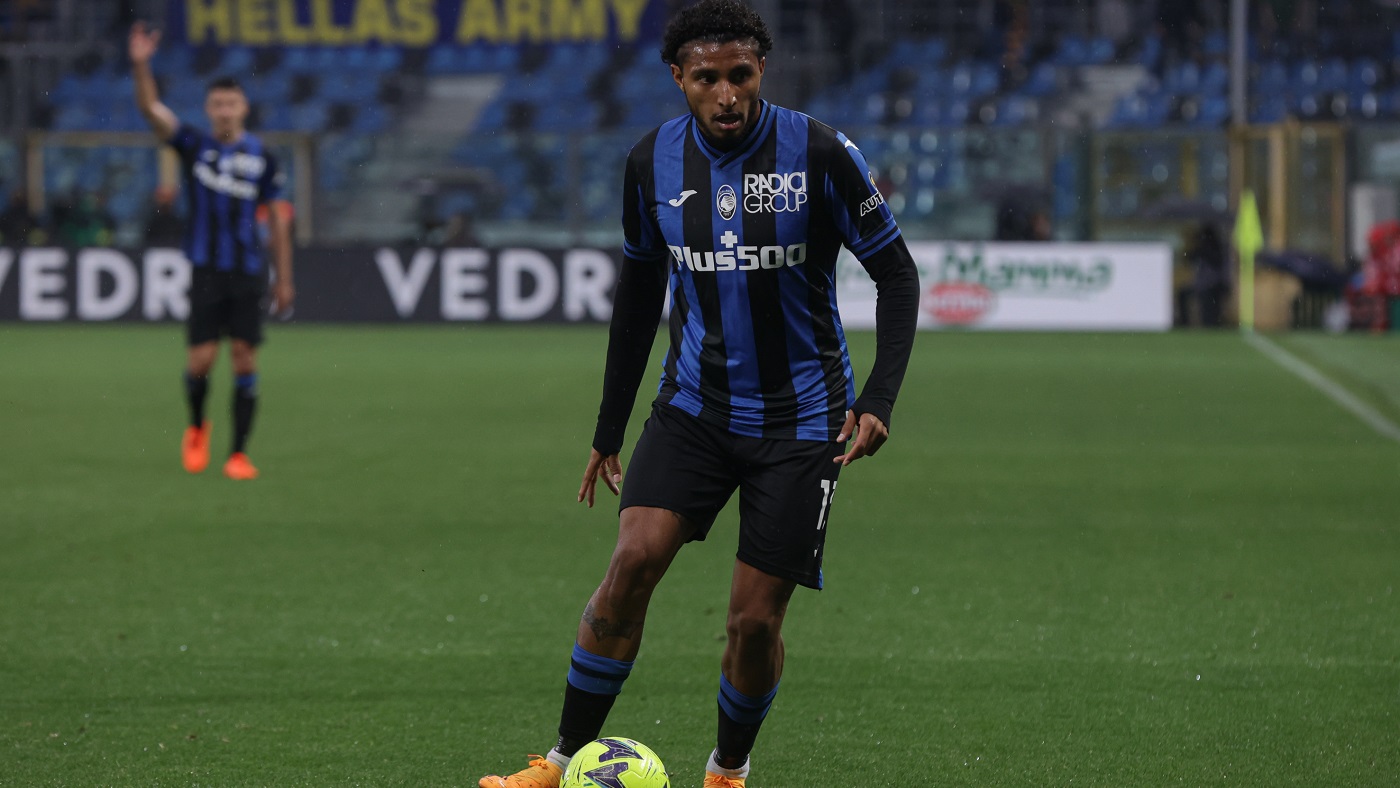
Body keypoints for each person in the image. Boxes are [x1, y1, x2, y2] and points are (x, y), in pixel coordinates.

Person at [477, 2, 919, 787]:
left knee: (752, 622)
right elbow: (638, 296)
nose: (726, 94)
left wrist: (879, 397)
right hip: (694, 409)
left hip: (802, 421)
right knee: (630, 565)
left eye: (740, 75)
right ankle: (559, 759)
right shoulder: (651, 162)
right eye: (707, 78)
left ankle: (726, 772)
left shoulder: (819, 153)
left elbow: (897, 273)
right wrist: (608, 429)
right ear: (678, 77)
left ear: (761, 71)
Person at [129, 21, 294, 481]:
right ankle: (198, 426)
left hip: (247, 271)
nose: (224, 111)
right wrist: (141, 65)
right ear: (208, 109)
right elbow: (150, 110)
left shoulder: (263, 158)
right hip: (205, 269)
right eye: (217, 104)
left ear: (244, 108)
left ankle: (238, 454)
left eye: (231, 103)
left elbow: (278, 220)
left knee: (244, 357)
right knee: (201, 361)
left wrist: (284, 278)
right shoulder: (194, 145)